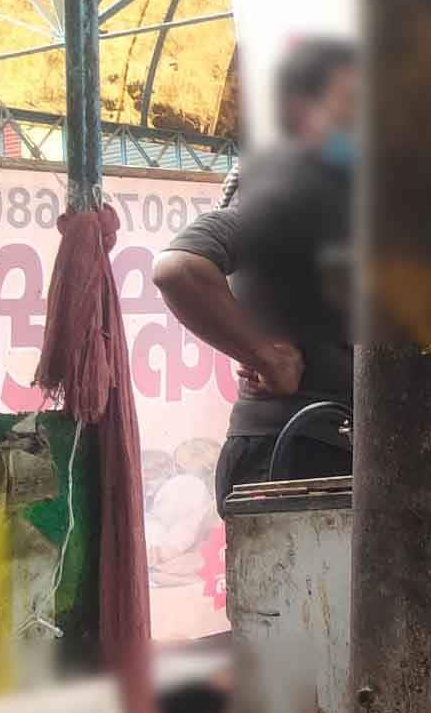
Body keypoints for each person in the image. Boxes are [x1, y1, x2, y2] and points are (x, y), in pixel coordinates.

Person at [153, 38, 358, 512]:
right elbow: (179, 267)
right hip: (294, 454)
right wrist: (266, 355)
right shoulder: (288, 190)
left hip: (329, 448)